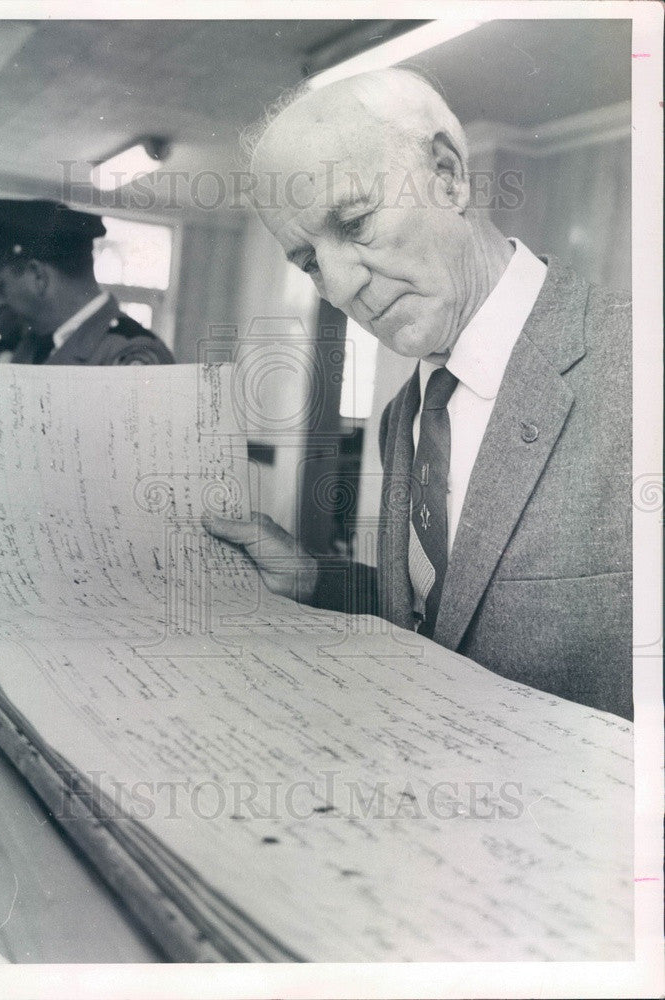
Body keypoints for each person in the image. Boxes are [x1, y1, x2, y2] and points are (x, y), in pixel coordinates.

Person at [205, 68, 632, 720]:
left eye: (353, 222)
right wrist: (315, 578)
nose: (341, 287)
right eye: (310, 263)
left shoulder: (636, 363)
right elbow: (449, 611)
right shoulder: (405, 414)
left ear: (447, 175)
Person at [0, 199, 175, 366]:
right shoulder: (33, 345)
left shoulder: (130, 354)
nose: (1, 296)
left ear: (38, 276)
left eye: (2, 284)